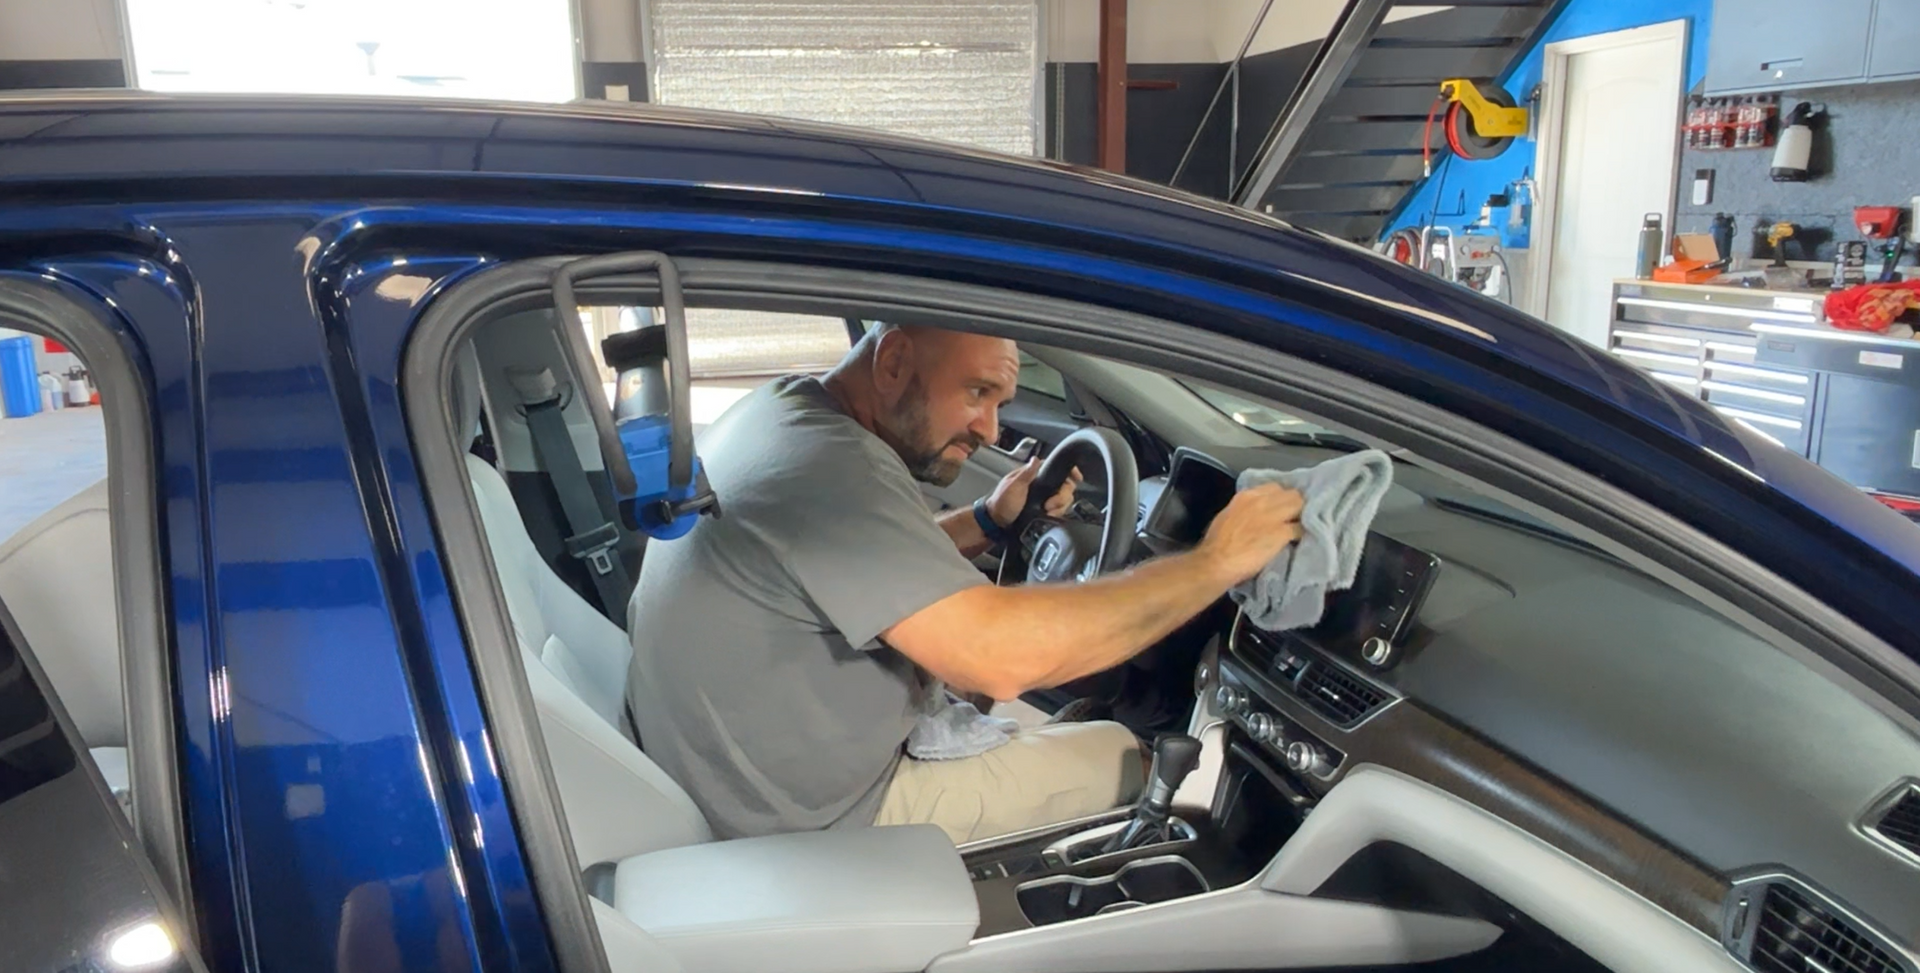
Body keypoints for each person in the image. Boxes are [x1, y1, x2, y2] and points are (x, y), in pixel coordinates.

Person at [628, 323, 1304, 843]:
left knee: (1063, 721)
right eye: (976, 392)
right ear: (892, 362)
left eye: (1000, 401)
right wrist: (1214, 561)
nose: (989, 429)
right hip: (819, 823)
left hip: (738, 775)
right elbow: (1001, 663)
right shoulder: (835, 473)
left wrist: (988, 519)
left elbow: (846, 565)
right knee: (1129, 753)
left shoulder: (784, 414)